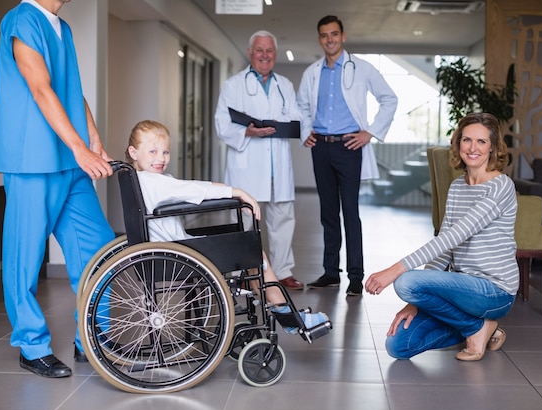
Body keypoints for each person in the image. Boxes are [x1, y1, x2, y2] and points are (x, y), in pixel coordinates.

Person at [0, 0, 115, 378]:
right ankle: (31, 346)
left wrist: (92, 136)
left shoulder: (64, 28)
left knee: (98, 247)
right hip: (33, 159)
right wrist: (79, 146)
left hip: (70, 160)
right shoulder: (22, 19)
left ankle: (92, 338)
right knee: (25, 256)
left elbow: (70, 90)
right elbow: (41, 89)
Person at [125, 120, 329, 332]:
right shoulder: (155, 182)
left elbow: (188, 191)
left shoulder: (138, 179)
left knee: (251, 255)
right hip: (182, 254)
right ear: (133, 152)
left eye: (165, 152)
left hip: (169, 251)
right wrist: (239, 193)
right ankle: (289, 318)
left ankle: (284, 314)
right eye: (153, 151)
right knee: (253, 252)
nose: (161, 158)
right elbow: (197, 188)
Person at [365, 113, 518, 361]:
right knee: (399, 345)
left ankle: (476, 329)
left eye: (481, 141)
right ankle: (482, 329)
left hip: (494, 291)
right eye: (467, 140)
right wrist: (416, 302)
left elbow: (456, 235)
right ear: (458, 143)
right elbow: (445, 246)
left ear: (492, 147)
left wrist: (395, 271)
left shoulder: (501, 186)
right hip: (460, 289)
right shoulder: (458, 187)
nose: (472, 148)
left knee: (405, 281)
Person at [297, 15, 398, 296]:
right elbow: (302, 105)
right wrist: (307, 130)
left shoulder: (362, 68)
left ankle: (355, 276)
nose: (329, 39)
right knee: (328, 213)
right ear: (320, 39)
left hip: (350, 147)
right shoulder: (312, 72)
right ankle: (331, 273)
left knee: (350, 212)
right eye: (324, 35)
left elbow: (390, 99)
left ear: (343, 36)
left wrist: (370, 132)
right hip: (321, 147)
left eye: (334, 34)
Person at [214, 30, 303, 291]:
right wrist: (248, 131)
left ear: (275, 54)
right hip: (248, 162)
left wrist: (288, 125)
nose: (265, 55)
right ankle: (246, 271)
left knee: (283, 218)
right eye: (260, 50)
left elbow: (296, 116)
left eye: (269, 51)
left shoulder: (284, 85)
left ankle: (283, 272)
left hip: (278, 164)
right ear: (250, 53)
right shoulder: (233, 85)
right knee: (246, 219)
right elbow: (222, 124)